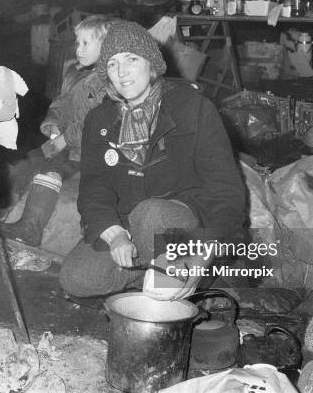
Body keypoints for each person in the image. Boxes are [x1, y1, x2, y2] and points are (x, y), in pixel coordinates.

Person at [59, 21, 246, 300]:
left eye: (131, 59)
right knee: (77, 278)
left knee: (152, 215)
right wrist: (115, 235)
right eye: (111, 64)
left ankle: (186, 272)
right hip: (129, 222)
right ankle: (152, 275)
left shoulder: (193, 108)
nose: (122, 72)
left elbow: (225, 189)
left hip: (185, 220)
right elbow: (94, 185)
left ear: (151, 63)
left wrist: (204, 254)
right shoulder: (99, 119)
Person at [0, 15, 118, 247]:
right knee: (27, 163)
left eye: (86, 43)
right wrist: (52, 124)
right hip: (65, 141)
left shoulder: (110, 83)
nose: (78, 49)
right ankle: (10, 212)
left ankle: (31, 227)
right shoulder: (75, 73)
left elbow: (96, 123)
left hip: (92, 150)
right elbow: (60, 103)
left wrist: (66, 139)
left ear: (107, 48)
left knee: (51, 169)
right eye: (77, 43)